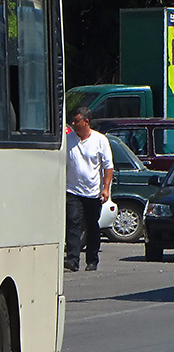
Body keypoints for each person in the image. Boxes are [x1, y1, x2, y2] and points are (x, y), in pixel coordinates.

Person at [65, 105, 113, 271]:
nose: (73, 123)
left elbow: (108, 166)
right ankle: (72, 259)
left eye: (76, 121)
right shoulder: (69, 139)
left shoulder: (100, 140)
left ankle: (92, 259)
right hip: (72, 190)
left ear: (86, 121)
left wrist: (105, 188)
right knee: (73, 222)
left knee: (92, 225)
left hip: (93, 192)